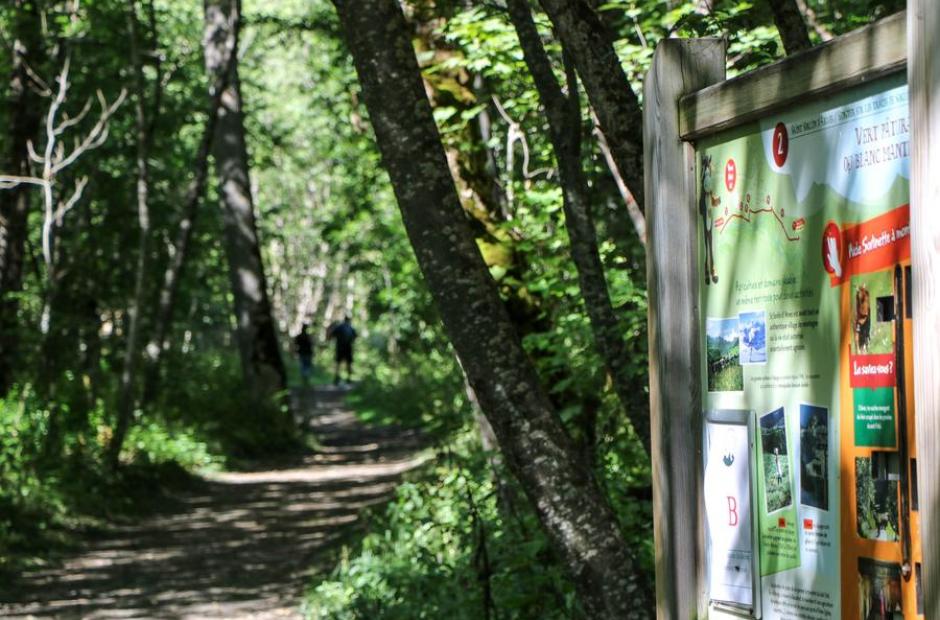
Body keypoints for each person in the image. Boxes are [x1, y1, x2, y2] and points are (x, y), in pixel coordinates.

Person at [328, 315, 357, 385]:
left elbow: (332, 335)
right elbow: (355, 337)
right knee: (349, 364)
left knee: (338, 363)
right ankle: (348, 378)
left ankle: (337, 378)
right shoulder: (351, 328)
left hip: (340, 348)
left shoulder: (339, 327)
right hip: (348, 348)